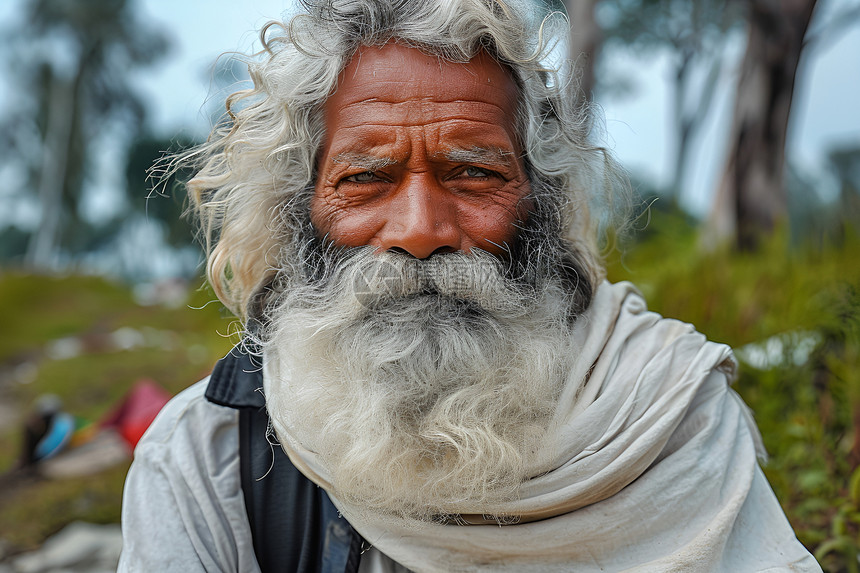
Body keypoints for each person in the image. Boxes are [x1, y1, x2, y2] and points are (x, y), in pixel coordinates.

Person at [118, 0, 821, 571]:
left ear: (537, 207)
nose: (421, 230)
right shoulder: (204, 461)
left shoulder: (666, 413)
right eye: (365, 178)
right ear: (298, 210)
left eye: (475, 173)